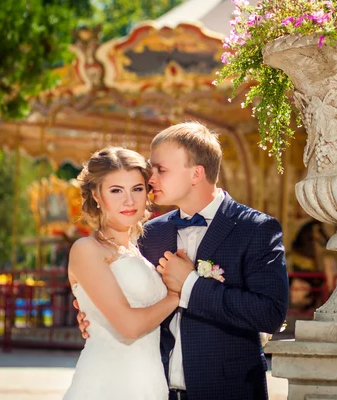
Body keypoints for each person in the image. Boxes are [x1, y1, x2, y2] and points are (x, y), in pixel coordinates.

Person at [76, 122, 289, 400]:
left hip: (227, 391)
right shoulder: (150, 233)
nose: (150, 179)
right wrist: (93, 313)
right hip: (154, 389)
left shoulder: (255, 229)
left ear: (196, 174)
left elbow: (270, 314)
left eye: (160, 170)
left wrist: (190, 284)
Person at [64, 147, 179, 399]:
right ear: (96, 194)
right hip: (105, 384)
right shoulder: (87, 249)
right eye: (116, 191)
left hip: (149, 384)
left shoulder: (138, 250)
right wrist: (176, 294)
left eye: (137, 189)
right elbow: (128, 326)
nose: (129, 201)